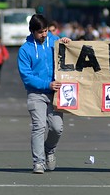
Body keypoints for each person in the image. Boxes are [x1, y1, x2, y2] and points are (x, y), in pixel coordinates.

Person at [17, 14, 71, 174]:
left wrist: (68, 43)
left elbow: (70, 55)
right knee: (39, 126)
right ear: (32, 31)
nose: (44, 34)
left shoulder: (55, 41)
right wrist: (46, 84)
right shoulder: (25, 50)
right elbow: (26, 77)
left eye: (46, 31)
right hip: (36, 94)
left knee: (57, 128)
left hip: (56, 94)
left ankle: (49, 149)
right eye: (40, 32)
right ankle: (38, 162)